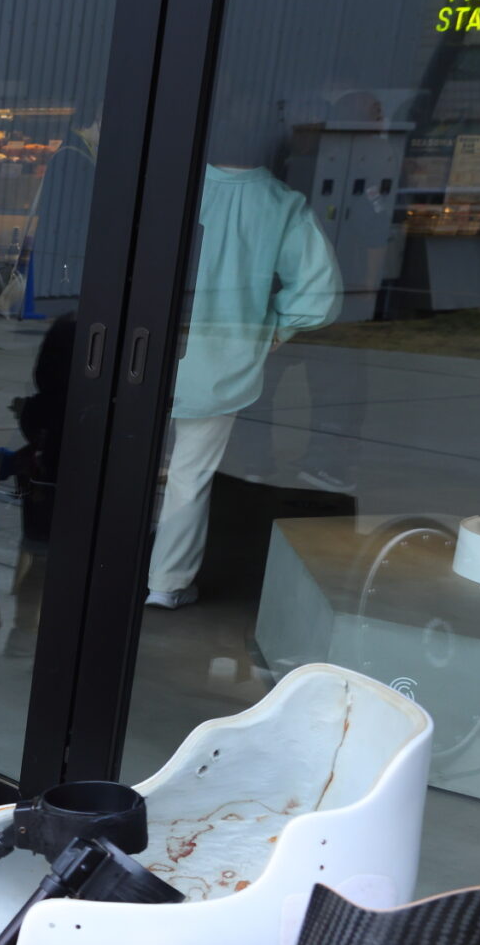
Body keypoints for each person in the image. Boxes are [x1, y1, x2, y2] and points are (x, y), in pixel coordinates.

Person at [146, 160, 341, 610]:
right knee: (190, 475)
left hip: (144, 345)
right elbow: (318, 292)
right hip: (222, 358)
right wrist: (276, 330)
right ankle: (166, 583)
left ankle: (107, 558)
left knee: (124, 461)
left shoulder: (171, 178)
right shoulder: (281, 203)